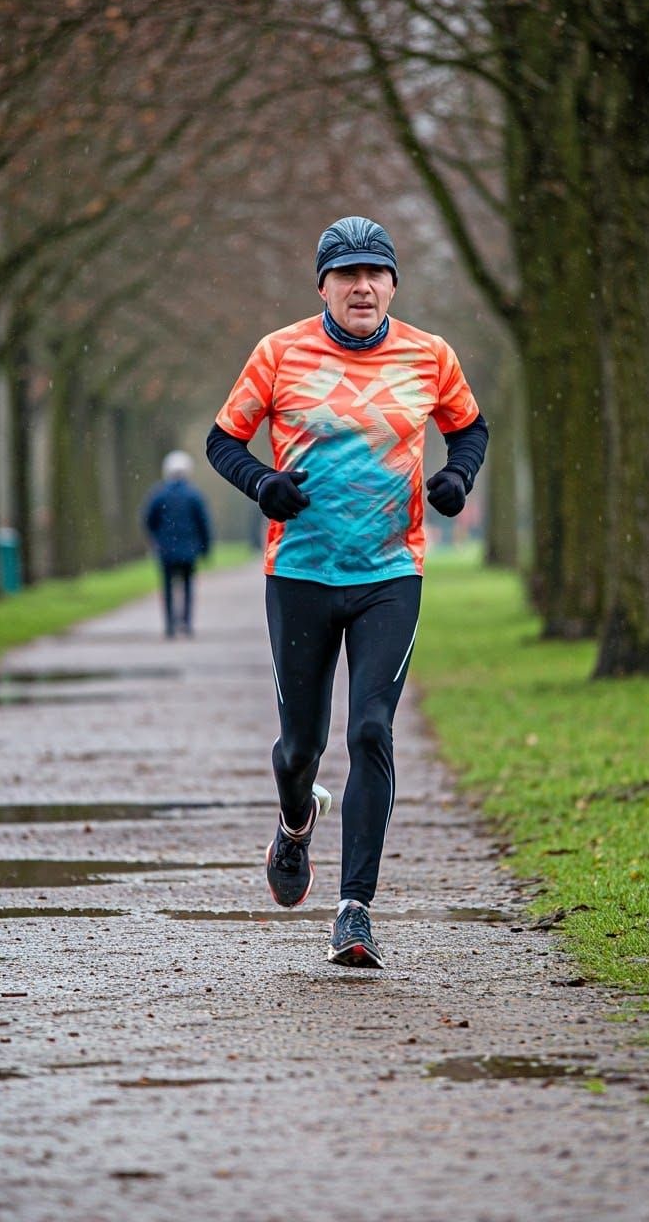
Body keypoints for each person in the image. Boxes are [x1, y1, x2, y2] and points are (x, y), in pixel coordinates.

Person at [206, 216, 488, 968]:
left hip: (390, 574)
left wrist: (457, 477)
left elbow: (470, 428)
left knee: (370, 730)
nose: (362, 286)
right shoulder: (279, 353)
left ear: (392, 284)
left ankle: (354, 911)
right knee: (301, 746)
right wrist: (262, 484)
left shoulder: (430, 355)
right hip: (300, 573)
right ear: (323, 287)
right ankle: (295, 824)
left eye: (375, 273)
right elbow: (223, 440)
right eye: (347, 274)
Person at [142, 450, 212, 637]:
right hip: (189, 549)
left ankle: (170, 625)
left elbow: (148, 519)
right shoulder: (194, 495)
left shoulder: (158, 494)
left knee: (167, 586)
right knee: (188, 585)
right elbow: (204, 523)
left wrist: (155, 538)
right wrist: (206, 548)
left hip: (166, 549)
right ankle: (186, 622)